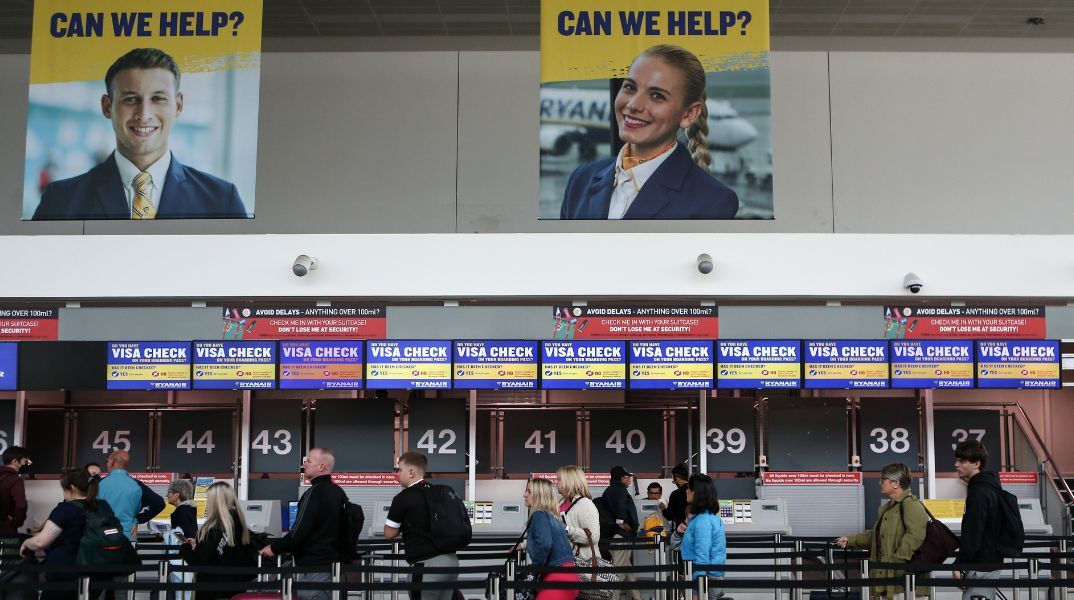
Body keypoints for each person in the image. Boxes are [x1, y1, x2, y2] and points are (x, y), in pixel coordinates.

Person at [33, 47, 246, 220]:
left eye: (158, 98)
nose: (144, 114)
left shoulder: (221, 201)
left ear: (179, 105)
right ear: (107, 106)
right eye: (131, 99)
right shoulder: (61, 201)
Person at [559, 44, 739, 220]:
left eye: (657, 96)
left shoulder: (713, 202)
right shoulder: (581, 180)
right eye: (630, 87)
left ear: (688, 114)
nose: (633, 105)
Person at [261, 448, 347, 600]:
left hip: (314, 569)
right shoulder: (338, 492)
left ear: (321, 467)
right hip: (333, 567)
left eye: (309, 461)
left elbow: (298, 532)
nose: (304, 464)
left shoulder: (313, 493)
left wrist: (274, 548)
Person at [835, 463, 928, 599]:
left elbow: (916, 537)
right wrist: (850, 540)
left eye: (883, 479)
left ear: (895, 483)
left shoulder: (912, 505)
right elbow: (874, 536)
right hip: (886, 579)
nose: (880, 483)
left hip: (904, 583)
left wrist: (896, 560)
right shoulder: (887, 508)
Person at [384, 451, 458, 600]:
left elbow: (389, 533)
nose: (397, 474)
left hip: (426, 566)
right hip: (451, 562)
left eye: (400, 469)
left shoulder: (403, 498)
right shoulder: (441, 493)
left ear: (411, 472)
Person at [19, 469, 102, 600]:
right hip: (96, 572)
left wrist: (26, 543)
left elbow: (41, 542)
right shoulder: (100, 508)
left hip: (65, 572)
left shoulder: (65, 509)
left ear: (72, 488)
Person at [179, 482, 256, 600]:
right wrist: (199, 544)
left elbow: (200, 561)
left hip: (211, 589)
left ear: (215, 502)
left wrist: (185, 548)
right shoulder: (238, 523)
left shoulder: (212, 528)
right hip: (237, 588)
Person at [952, 440, 1005, 600]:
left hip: (980, 565)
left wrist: (959, 565)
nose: (956, 464)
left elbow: (973, 532)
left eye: (962, 461)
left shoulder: (978, 492)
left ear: (976, 463)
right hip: (990, 562)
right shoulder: (990, 487)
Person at [524, 478, 580, 600]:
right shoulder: (552, 517)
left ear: (539, 495)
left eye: (529, 491)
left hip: (557, 578)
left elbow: (543, 544)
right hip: (568, 576)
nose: (524, 495)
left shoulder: (539, 515)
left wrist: (534, 569)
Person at [679, 474, 726, 600]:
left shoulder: (702, 521)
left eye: (689, 488)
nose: (687, 491)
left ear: (697, 493)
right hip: (707, 577)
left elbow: (702, 557)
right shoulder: (708, 517)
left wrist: (696, 589)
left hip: (705, 580)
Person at [601, 466, 641, 600]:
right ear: (622, 478)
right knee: (619, 570)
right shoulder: (620, 489)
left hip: (616, 534)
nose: (629, 480)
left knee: (626, 567)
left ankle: (637, 597)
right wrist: (621, 523)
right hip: (621, 535)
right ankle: (613, 598)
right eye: (627, 477)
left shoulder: (609, 490)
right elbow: (621, 506)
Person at [96, 451, 143, 541]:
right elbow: (136, 511)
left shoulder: (101, 484)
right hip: (129, 537)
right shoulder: (136, 486)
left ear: (112, 461)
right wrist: (135, 521)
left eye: (107, 461)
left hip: (106, 538)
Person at [556, 465, 600, 559]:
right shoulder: (559, 503)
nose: (556, 483)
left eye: (559, 480)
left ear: (569, 481)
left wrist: (567, 529)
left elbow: (594, 537)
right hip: (563, 562)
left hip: (582, 566)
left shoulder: (585, 504)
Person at [0, 446, 30, 535]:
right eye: (24, 462)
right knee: (9, 549)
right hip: (5, 530)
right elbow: (21, 505)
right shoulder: (15, 479)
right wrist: (16, 522)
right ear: (14, 461)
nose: (25, 465)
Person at [663, 464, 689, 528]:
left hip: (681, 529)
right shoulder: (697, 490)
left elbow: (669, 516)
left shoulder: (676, 494)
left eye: (674, 480)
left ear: (676, 477)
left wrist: (663, 508)